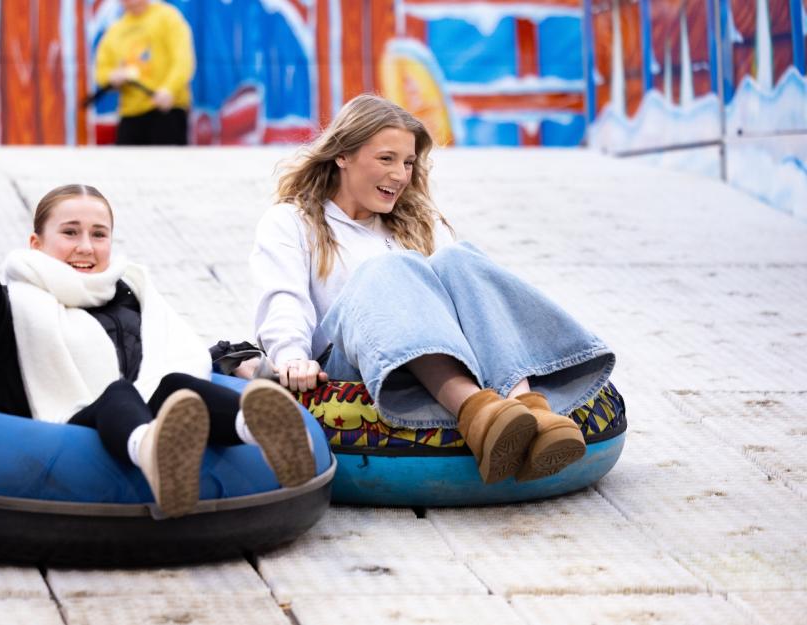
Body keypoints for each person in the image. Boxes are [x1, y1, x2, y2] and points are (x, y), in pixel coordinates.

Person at [0, 144, 314, 518]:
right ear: (36, 242)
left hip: (150, 414)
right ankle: (152, 452)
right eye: (70, 232)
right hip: (56, 433)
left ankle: (260, 428)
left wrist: (226, 359)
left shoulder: (134, 298)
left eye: (98, 234)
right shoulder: (10, 308)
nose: (86, 246)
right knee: (118, 392)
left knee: (176, 384)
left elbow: (159, 358)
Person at [250, 94, 615, 484]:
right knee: (388, 269)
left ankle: (527, 408)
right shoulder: (292, 221)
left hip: (439, 360)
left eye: (408, 163)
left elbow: (467, 305)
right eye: (386, 159)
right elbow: (283, 299)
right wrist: (290, 357)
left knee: (457, 259)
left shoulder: (415, 225)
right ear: (343, 155)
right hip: (348, 368)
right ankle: (475, 412)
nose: (400, 175)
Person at [93, 0, 194, 146]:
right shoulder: (115, 31)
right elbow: (101, 72)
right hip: (130, 114)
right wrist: (112, 77)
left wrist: (169, 89)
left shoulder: (167, 17)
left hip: (167, 110)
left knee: (168, 166)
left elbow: (183, 60)